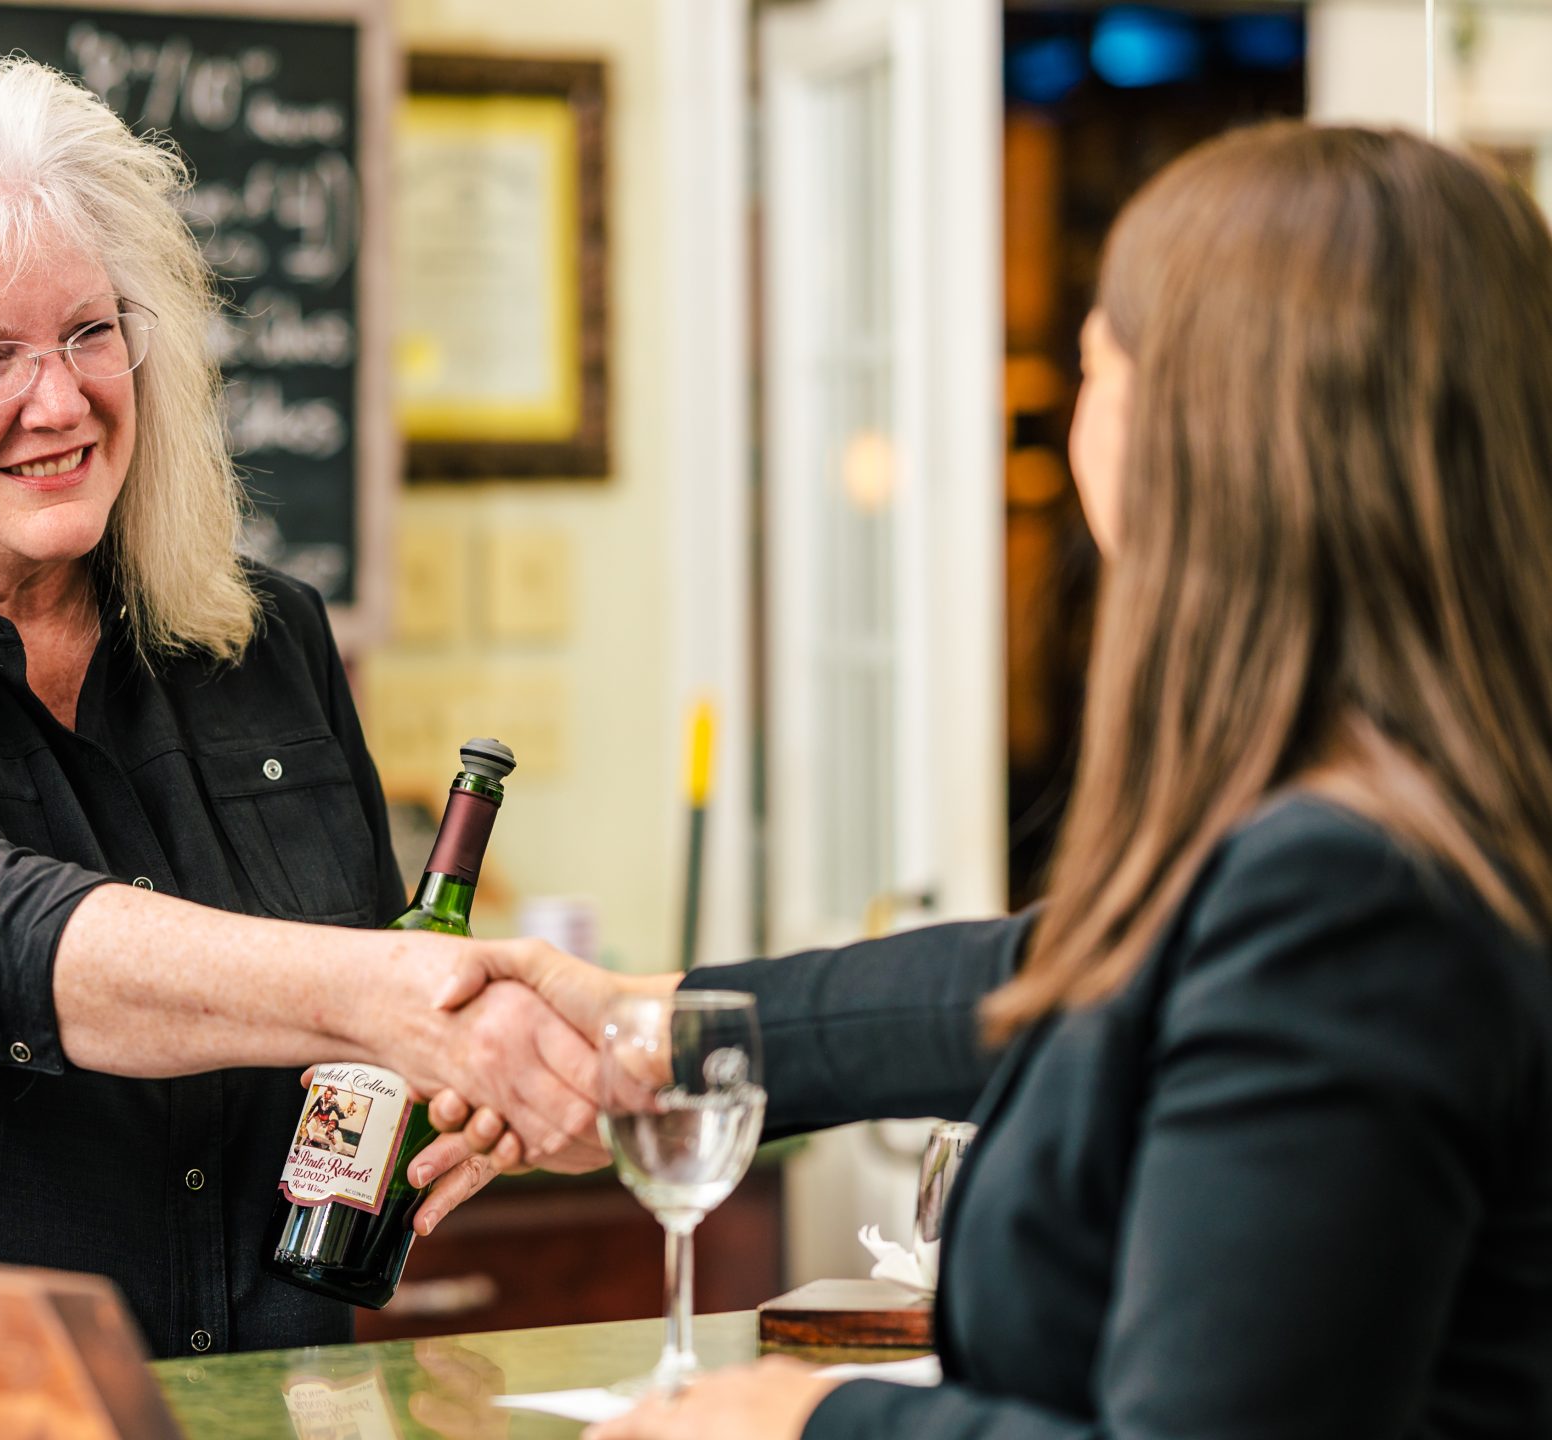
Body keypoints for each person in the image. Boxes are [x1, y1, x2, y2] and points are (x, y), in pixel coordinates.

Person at [418, 123, 1552, 1438]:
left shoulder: (1349, 892)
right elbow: (1051, 976)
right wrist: (670, 1028)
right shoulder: (1422, 827)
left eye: (1093, 363)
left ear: (1205, 436)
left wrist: (794, 1422)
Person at [0, 52, 594, 1360]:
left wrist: (448, 1082)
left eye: (91, 332)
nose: (62, 401)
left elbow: (342, 1062)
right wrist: (392, 988)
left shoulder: (269, 641)